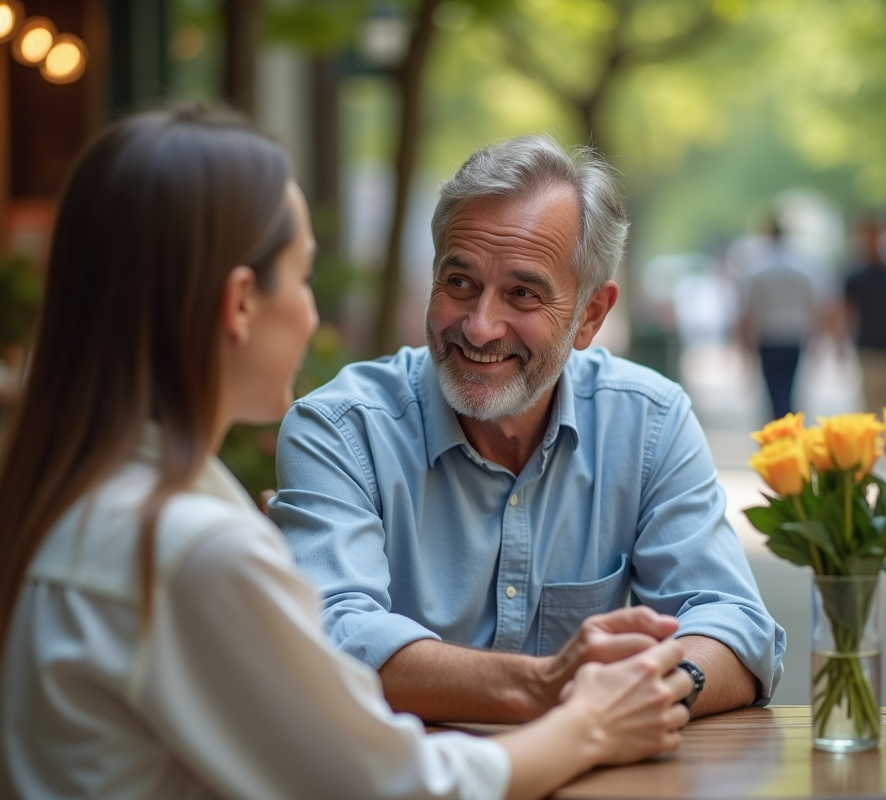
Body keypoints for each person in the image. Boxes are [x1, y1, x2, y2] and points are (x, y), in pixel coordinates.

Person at [0, 109, 696, 800]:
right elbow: (396, 787)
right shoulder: (189, 547)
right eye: (301, 275)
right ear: (239, 304)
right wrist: (584, 717)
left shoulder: (54, 506)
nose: (312, 312)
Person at [269, 135, 785, 726]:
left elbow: (734, 624)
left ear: (591, 314)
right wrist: (551, 689)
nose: (481, 326)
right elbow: (332, 639)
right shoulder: (338, 432)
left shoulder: (649, 421)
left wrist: (661, 688)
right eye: (459, 283)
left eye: (522, 293)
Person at [738, 218, 819, 420]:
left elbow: (749, 311)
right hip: (793, 336)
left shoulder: (757, 270)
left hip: (769, 337)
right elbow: (813, 306)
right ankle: (790, 428)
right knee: (790, 389)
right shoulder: (802, 269)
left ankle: (777, 431)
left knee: (773, 392)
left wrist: (745, 345)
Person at [842, 218, 886, 415]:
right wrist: (841, 343)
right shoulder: (855, 277)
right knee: (870, 409)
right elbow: (847, 312)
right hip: (867, 348)